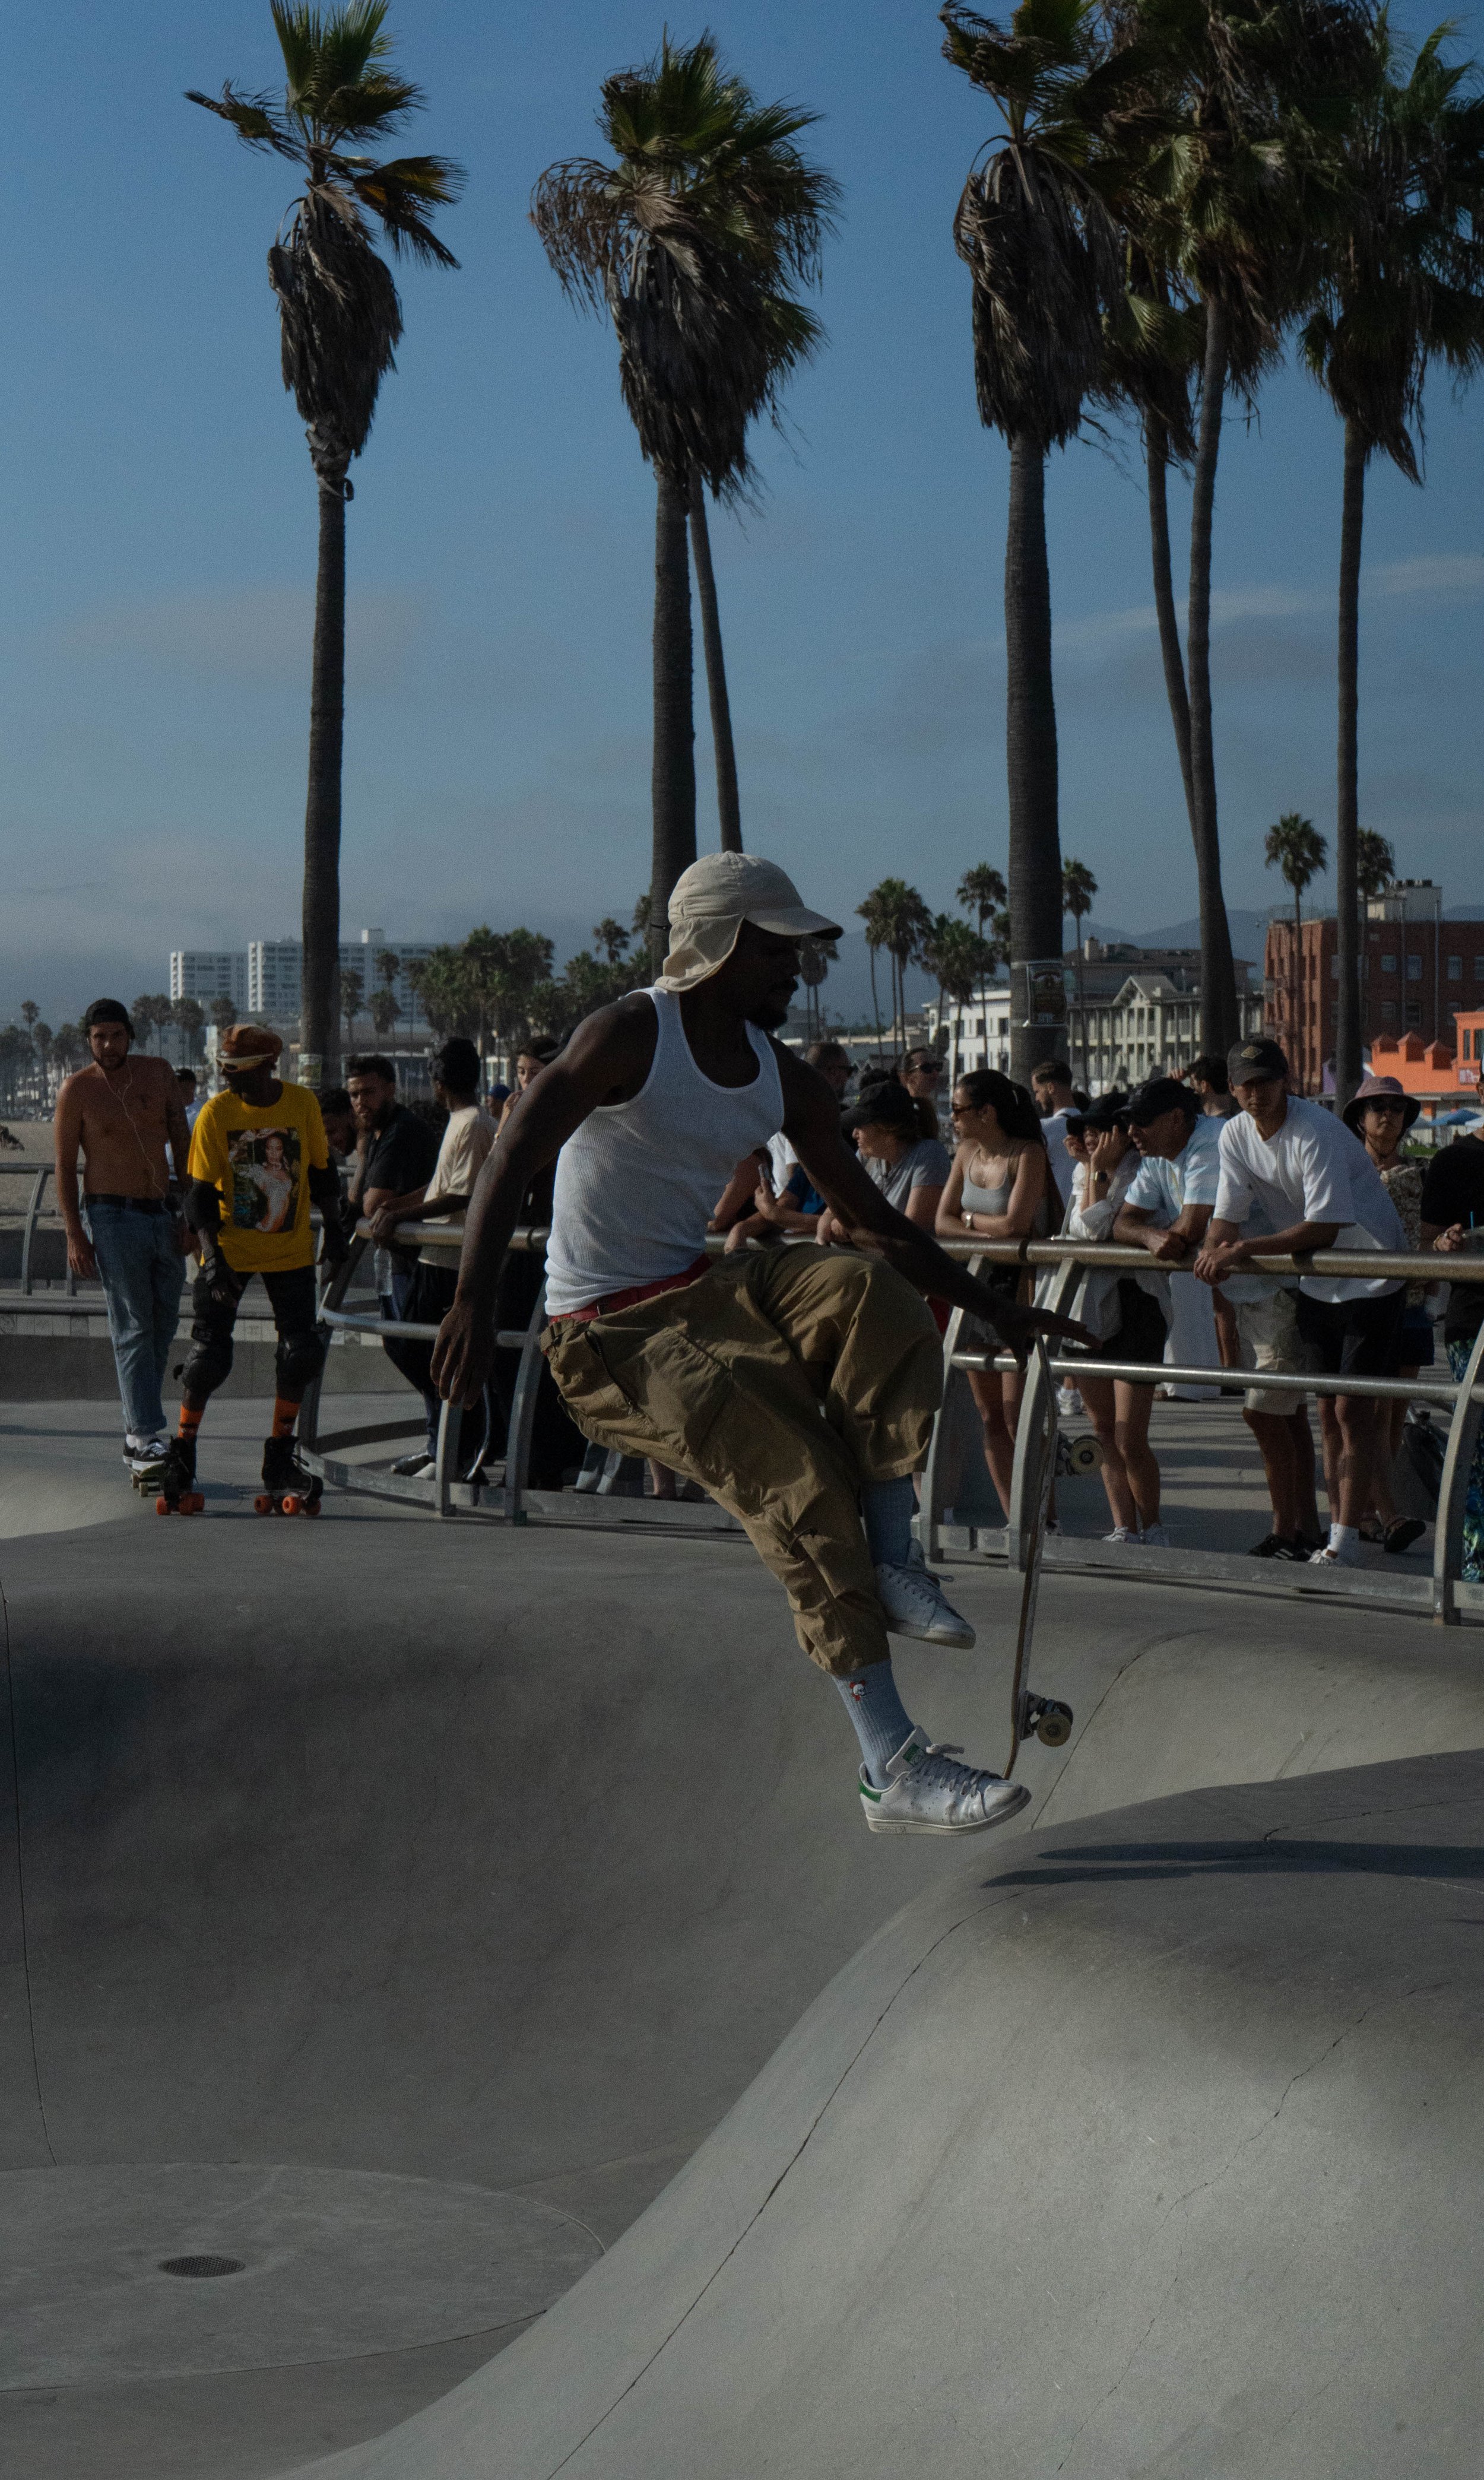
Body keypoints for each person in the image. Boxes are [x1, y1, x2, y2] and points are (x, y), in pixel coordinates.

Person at [433, 852, 1089, 1840]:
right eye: (780, 952)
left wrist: (995, 1307)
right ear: (722, 944)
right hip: (608, 1330)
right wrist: (474, 1299)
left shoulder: (776, 1072)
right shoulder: (629, 1032)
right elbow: (518, 1143)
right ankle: (892, 1766)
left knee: (870, 1290)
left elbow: (875, 1219)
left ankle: (892, 1555)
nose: (798, 971)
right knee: (792, 1470)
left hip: (706, 1288)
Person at [1194, 1037, 1405, 1568]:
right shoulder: (1236, 1134)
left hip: (1372, 1275)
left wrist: (1242, 1249)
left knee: (1353, 1410)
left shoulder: (1315, 1131)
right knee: (1326, 1411)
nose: (1253, 1094)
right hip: (1317, 1282)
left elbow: (1326, 1227)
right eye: (1243, 1085)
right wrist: (1213, 1248)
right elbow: (1228, 1211)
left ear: (1285, 1081)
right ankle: (1334, 1530)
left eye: (1263, 1082)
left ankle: (1346, 1539)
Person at [154, 1025, 348, 1512]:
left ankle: (280, 1457)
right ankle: (182, 1452)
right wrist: (212, 1259)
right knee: (208, 1359)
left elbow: (322, 1173)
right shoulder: (218, 1113)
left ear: (266, 1066)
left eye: (236, 1070)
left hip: (291, 1253)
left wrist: (338, 1233)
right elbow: (198, 1194)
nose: (227, 1079)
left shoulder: (302, 1104)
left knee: (301, 1354)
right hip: (229, 1253)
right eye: (223, 1069)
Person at [53, 998, 192, 1479]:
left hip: (162, 1212)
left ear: (130, 1035)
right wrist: (76, 1233)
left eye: (115, 1035)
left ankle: (141, 1428)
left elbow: (182, 1139)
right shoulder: (78, 1090)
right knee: (133, 1324)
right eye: (98, 1037)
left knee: (164, 1321)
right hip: (111, 1215)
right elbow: (65, 1168)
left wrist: (190, 1212)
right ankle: (142, 1435)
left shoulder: (157, 1074)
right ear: (88, 1040)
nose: (107, 1045)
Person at [368, 1038, 497, 1479]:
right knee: (407, 1344)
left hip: (451, 1263)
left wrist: (403, 1213)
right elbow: (439, 1189)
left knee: (429, 1354)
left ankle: (461, 1453)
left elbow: (463, 1194)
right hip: (432, 1259)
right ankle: (446, 1446)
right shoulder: (458, 1121)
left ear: (438, 1082)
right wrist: (394, 1210)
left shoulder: (476, 1124)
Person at [936, 1070, 1052, 1523]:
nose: (953, 1120)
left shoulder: (1028, 1154)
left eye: (959, 1110)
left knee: (1019, 1416)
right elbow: (940, 1221)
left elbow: (1016, 1227)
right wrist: (976, 1225)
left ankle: (1046, 1518)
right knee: (990, 1417)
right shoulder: (965, 1153)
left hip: (1016, 1289)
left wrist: (967, 1222)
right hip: (971, 1286)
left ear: (987, 1112)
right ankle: (1014, 1518)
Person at [1063, 1093, 1171, 1543]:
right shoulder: (1082, 1171)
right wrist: (1093, 1172)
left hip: (1136, 1303)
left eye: (1100, 1128)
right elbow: (1081, 1229)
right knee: (1103, 1428)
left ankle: (1154, 1526)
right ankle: (1122, 1525)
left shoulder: (1144, 1172)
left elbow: (1093, 1229)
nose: (1090, 1135)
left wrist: (1100, 1174)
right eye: (1085, 1128)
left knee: (1130, 1435)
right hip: (1088, 1304)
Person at [1342, 1076, 1429, 1554]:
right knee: (1367, 1414)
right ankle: (1379, 1513)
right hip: (1361, 1301)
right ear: (1360, 1117)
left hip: (1412, 1303)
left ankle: (1376, 1509)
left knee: (1394, 1415)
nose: (1388, 1116)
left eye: (1397, 1109)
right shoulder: (1347, 1171)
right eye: (1378, 1107)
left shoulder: (1420, 1173)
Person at [1116, 1074, 1226, 1419]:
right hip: (1239, 1276)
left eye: (1143, 1121)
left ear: (1177, 1118)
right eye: (1129, 1121)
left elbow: (1190, 1230)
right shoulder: (1156, 1156)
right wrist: (1151, 1237)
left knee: (1282, 1410)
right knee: (1272, 1414)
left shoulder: (1210, 1139)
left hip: (1285, 1278)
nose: (1132, 1131)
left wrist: (1160, 1234)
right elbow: (1121, 1223)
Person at [1420, 1118, 1484, 1581]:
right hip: (1474, 1320)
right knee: (1478, 1449)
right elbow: (1430, 1244)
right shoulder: (1454, 1161)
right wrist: (1446, 1244)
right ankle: (1476, 1566)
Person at [348, 1051, 440, 1329]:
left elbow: (371, 1206)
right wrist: (364, 1159)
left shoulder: (400, 1131)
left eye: (368, 1092)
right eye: (354, 1095)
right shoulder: (379, 1132)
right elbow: (356, 1200)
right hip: (399, 1261)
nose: (361, 1103)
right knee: (399, 1341)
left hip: (418, 1262)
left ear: (390, 1089)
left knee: (409, 1343)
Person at [1030, 1060, 1078, 1214]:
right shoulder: (1091, 1128)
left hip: (1056, 1216)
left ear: (1050, 1088)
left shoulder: (1043, 1129)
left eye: (1037, 1091)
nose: (1037, 1099)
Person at [498, 1036, 560, 1133]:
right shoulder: (519, 1113)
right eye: (522, 1072)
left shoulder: (560, 1114)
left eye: (534, 1072)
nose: (526, 1079)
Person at [1187, 1054, 1239, 1120]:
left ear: (1204, 1085)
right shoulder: (1236, 1123)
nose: (1191, 1087)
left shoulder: (1195, 1124)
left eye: (1192, 1083)